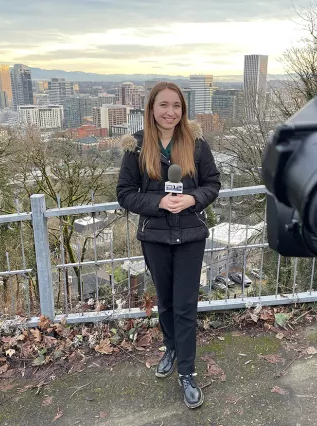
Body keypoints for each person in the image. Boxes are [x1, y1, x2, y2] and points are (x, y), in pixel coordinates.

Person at [116, 82, 221, 409]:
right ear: (151, 108)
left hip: (190, 234)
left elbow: (213, 184)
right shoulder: (136, 147)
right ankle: (171, 347)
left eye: (176, 106)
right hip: (156, 237)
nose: (170, 112)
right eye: (163, 105)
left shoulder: (197, 143)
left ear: (183, 110)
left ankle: (186, 372)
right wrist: (159, 202)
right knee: (166, 300)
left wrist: (191, 198)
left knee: (186, 303)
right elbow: (125, 193)